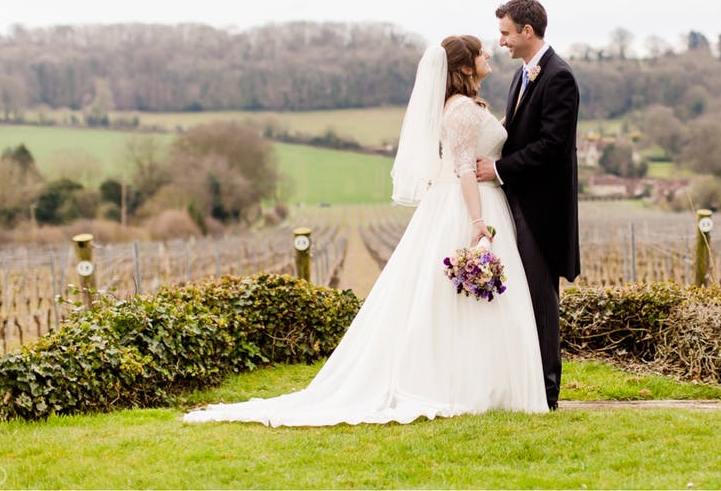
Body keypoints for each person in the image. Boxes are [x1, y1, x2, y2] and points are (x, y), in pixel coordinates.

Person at [184, 35, 548, 427]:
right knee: (459, 298)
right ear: (463, 68)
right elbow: (463, 169)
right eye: (480, 52)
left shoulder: (465, 106)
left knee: (466, 299)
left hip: (475, 198)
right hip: (467, 205)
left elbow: (488, 143)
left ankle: (487, 382)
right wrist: (478, 225)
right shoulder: (459, 110)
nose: (488, 53)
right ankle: (469, 384)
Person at [475, 0, 580, 411]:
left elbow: (552, 147)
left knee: (540, 300)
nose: (500, 41)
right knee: (521, 297)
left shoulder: (559, 77)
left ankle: (546, 393)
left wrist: (498, 169)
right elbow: (520, 133)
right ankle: (523, 385)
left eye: (505, 33)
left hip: (542, 210)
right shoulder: (523, 76)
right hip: (517, 202)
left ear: (527, 32)